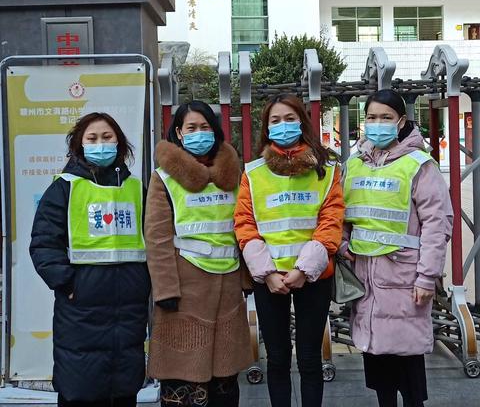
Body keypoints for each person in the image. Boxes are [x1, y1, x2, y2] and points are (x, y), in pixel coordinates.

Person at [30, 112, 151, 407]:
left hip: (129, 306)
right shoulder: (64, 187)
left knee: (124, 388)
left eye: (107, 137)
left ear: (119, 143)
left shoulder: (136, 188)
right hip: (80, 306)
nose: (101, 144)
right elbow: (44, 243)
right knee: (81, 387)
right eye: (92, 138)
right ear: (79, 145)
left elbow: (155, 239)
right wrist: (69, 284)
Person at [341, 90, 453, 407]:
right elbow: (343, 217)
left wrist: (426, 278)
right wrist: (343, 243)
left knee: (408, 363)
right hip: (365, 279)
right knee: (378, 367)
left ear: (401, 122)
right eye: (372, 117)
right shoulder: (355, 165)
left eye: (386, 118)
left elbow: (438, 224)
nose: (378, 124)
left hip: (405, 279)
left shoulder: (419, 165)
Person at [234, 93, 345, 407]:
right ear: (266, 129)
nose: (282, 126)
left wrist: (303, 270)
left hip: (312, 276)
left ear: (302, 123)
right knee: (278, 358)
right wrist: (268, 274)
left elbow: (332, 219)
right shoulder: (253, 173)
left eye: (289, 119)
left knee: (311, 359)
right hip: (269, 280)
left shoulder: (326, 169)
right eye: (275, 121)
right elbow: (244, 223)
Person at [145, 100, 252, 407]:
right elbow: (157, 237)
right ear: (178, 132)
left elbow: (243, 225)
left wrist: (246, 279)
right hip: (184, 287)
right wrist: (165, 289)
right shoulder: (163, 178)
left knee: (225, 378)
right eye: (191, 127)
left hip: (228, 286)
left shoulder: (234, 175)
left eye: (205, 127)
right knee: (184, 375)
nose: (199, 133)